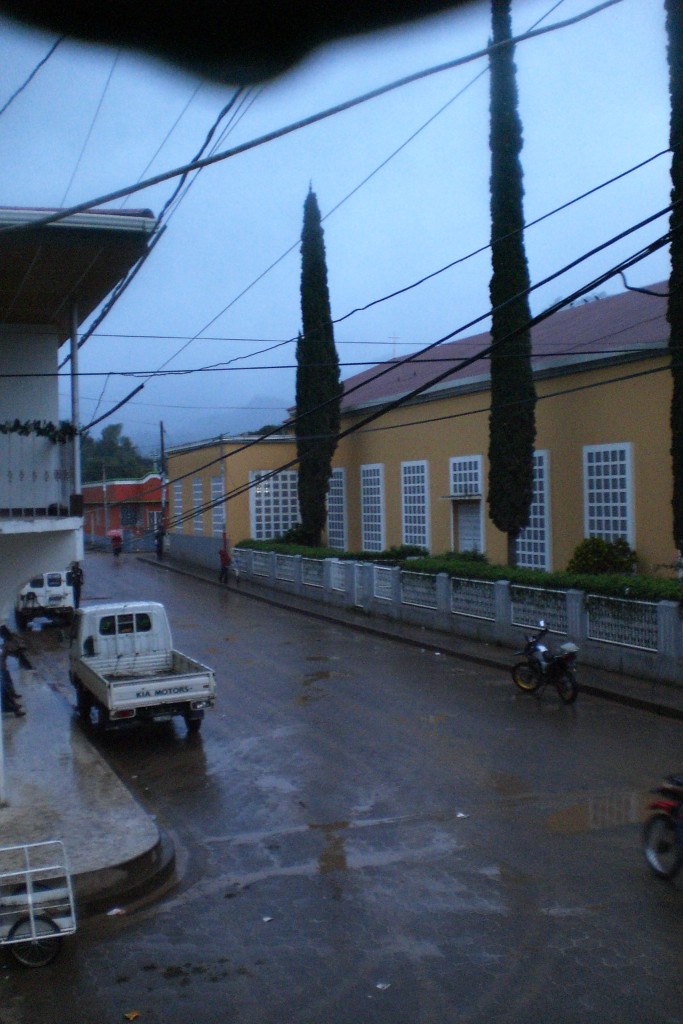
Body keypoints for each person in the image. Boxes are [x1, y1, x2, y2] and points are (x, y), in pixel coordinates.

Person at [0, 631, 25, 717]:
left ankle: (14, 707)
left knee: (6, 689)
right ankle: (14, 708)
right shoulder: (3, 647)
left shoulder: (4, 647)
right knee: (4, 691)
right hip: (2, 670)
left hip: (3, 670)